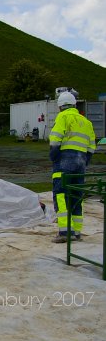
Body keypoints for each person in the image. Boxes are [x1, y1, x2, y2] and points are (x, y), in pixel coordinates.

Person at [49, 91, 96, 243]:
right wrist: (84, 161)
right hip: (80, 163)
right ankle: (76, 232)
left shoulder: (63, 117)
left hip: (64, 162)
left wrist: (54, 157)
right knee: (77, 196)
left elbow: (55, 141)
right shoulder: (86, 122)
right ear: (74, 105)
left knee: (61, 194)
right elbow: (91, 147)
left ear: (60, 106)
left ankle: (64, 232)